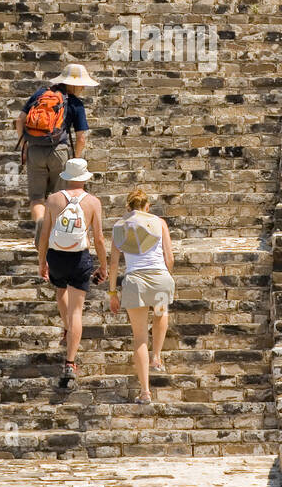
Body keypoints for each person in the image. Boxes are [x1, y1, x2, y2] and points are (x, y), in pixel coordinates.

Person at [37, 158, 107, 388]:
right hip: (80, 257)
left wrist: (42, 262)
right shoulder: (93, 202)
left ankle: (66, 327)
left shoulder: (54, 199)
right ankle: (70, 362)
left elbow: (45, 235)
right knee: (77, 310)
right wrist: (104, 266)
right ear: (85, 178)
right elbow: (98, 238)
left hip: (57, 256)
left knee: (60, 292)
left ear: (67, 176)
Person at [16, 61, 98, 245]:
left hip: (35, 150)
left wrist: (25, 146)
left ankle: (40, 222)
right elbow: (81, 138)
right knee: (59, 197)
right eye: (82, 84)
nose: (83, 87)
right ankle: (53, 236)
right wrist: (75, 159)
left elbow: (19, 120)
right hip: (59, 152)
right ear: (74, 84)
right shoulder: (76, 104)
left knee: (37, 198)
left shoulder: (40, 94)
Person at [108, 188, 175, 405]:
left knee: (139, 339)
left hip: (135, 280)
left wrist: (112, 293)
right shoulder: (159, 222)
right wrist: (167, 277)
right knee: (160, 313)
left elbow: (114, 263)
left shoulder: (119, 226)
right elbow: (169, 257)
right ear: (147, 207)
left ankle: (145, 391)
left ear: (128, 206)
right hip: (160, 276)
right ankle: (157, 356)